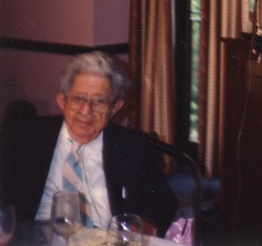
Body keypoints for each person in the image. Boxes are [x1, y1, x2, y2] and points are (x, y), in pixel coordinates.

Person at [0, 51, 178, 241]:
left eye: (98, 101)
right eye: (78, 99)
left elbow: (162, 200)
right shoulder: (23, 138)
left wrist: (148, 225)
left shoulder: (136, 146)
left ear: (115, 107)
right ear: (62, 100)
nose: (86, 111)